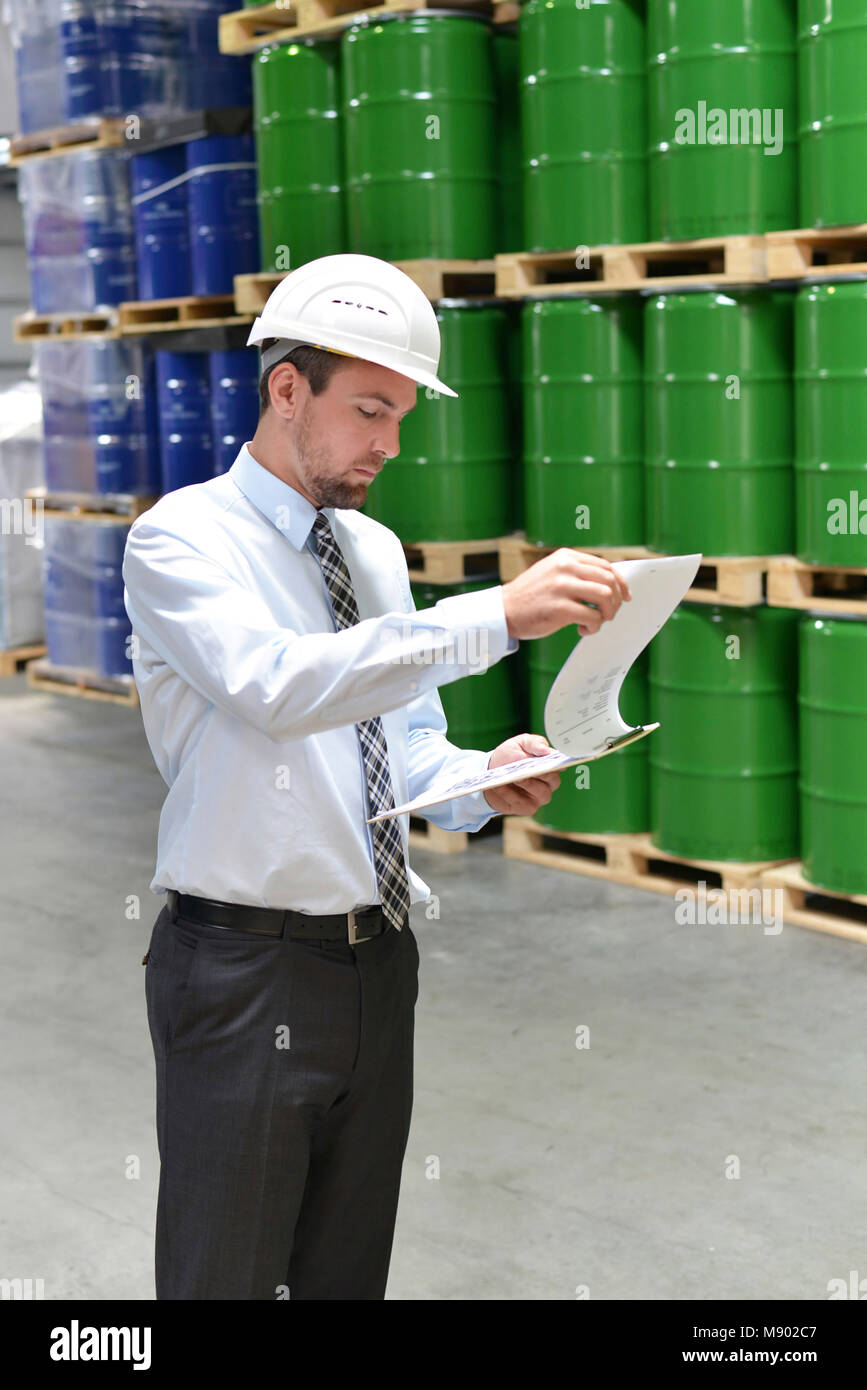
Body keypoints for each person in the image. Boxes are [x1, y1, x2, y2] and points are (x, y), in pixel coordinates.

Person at [122, 253, 631, 1301]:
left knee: (345, 1276)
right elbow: (278, 685)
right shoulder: (180, 541)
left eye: (401, 415)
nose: (389, 444)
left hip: (377, 963)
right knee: (225, 1275)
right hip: (242, 967)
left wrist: (481, 782)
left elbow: (396, 749)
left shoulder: (373, 551)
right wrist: (492, 614)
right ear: (286, 388)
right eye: (368, 410)